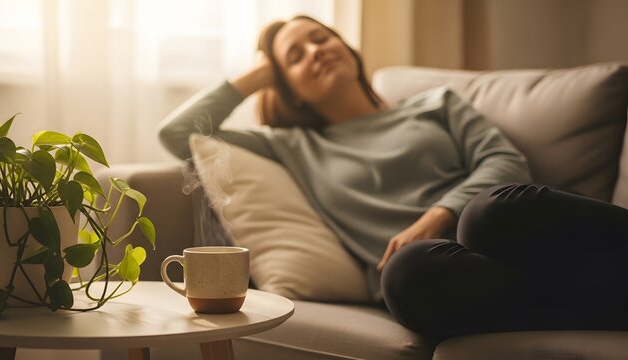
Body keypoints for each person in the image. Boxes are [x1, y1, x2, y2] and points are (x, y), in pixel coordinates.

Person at [158, 15, 628, 341]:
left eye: (321, 38)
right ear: (288, 88)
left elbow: (505, 162)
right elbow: (177, 133)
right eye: (296, 57)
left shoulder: (437, 104)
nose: (316, 51)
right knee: (405, 275)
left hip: (504, 233)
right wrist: (259, 73)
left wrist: (438, 215)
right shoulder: (292, 146)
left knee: (491, 212)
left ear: (347, 47)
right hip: (438, 271)